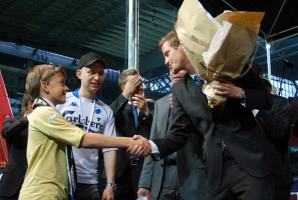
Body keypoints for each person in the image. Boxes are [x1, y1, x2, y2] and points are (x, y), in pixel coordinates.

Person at [133, 30, 274, 200]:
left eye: (167, 54)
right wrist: (151, 145)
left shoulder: (227, 65)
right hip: (215, 172)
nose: (165, 61)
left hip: (251, 163)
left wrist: (239, 92)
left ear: (182, 47)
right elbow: (178, 135)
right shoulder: (179, 90)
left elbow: (266, 100)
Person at [18, 64, 149, 200]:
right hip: (42, 193)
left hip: (57, 190)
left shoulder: (47, 112)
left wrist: (110, 184)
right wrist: (129, 141)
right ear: (45, 86)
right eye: (61, 83)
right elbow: (84, 139)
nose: (66, 87)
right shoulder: (45, 113)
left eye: (101, 73)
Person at [57, 52, 117, 200]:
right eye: (91, 72)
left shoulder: (106, 111)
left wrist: (110, 185)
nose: (97, 78)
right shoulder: (62, 101)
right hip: (61, 177)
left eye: (101, 73)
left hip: (90, 183)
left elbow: (109, 149)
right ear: (79, 73)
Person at [110, 68, 153, 200]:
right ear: (123, 86)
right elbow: (109, 118)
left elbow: (157, 135)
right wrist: (125, 94)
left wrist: (146, 113)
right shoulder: (115, 107)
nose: (139, 86)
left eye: (140, 82)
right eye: (134, 83)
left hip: (142, 172)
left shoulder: (151, 108)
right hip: (119, 172)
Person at [255, 78, 294, 200]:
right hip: (250, 178)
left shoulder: (280, 103)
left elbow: (278, 132)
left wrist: (257, 110)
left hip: (276, 177)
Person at [0, 93, 32, 200]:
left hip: (33, 188)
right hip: (10, 187)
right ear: (30, 104)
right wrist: (29, 118)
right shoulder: (12, 121)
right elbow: (7, 131)